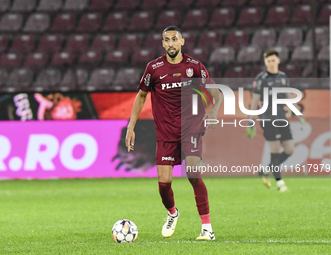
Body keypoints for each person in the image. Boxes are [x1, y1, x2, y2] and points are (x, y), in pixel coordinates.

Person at [125, 26, 222, 240]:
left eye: (174, 39)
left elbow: (216, 92)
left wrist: (213, 111)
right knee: (164, 183)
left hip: (191, 127)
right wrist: (131, 126)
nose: (170, 43)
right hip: (166, 132)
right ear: (162, 43)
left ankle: (207, 228)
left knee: (193, 174)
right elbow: (141, 96)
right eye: (166, 40)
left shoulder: (195, 67)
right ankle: (172, 213)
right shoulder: (154, 68)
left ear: (182, 42)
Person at [246, 49, 306, 191]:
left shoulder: (283, 77)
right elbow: (255, 102)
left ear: (278, 61)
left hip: (282, 117)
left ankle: (266, 170)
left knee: (290, 149)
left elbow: (289, 97)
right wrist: (251, 121)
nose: (271, 63)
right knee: (274, 149)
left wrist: (299, 115)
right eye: (268, 61)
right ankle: (280, 183)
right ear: (265, 62)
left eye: (273, 60)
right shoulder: (261, 79)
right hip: (267, 118)